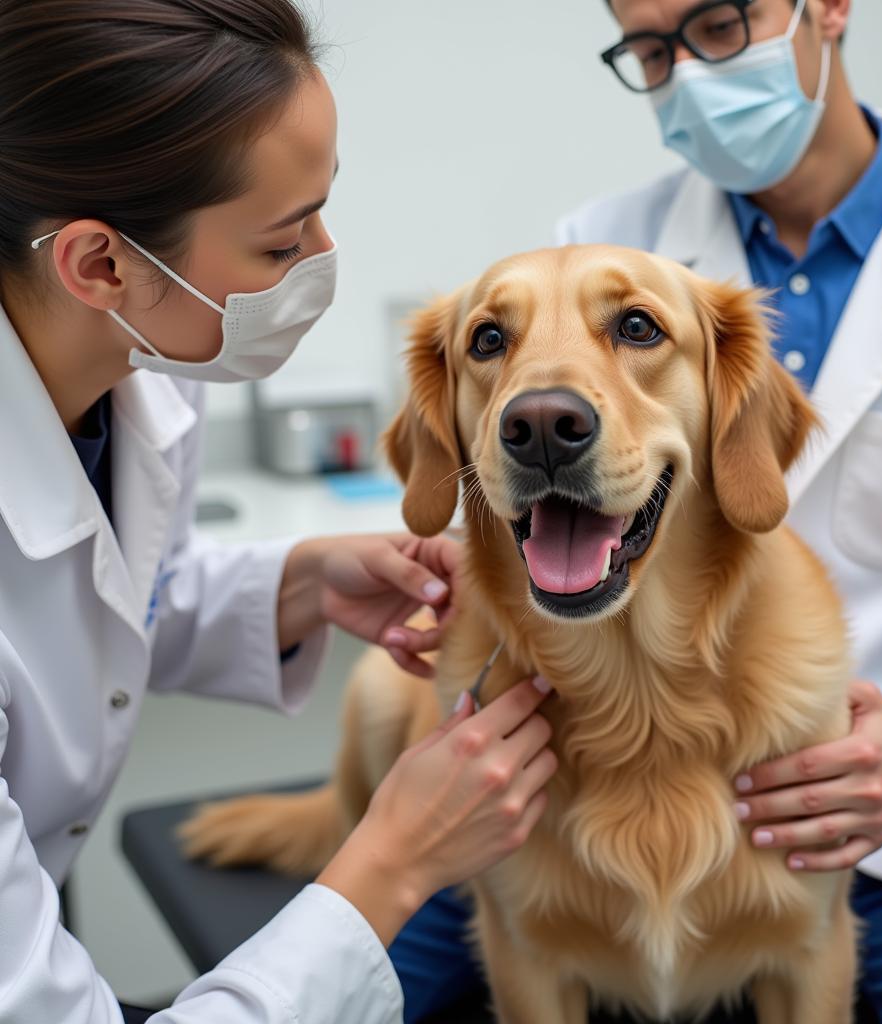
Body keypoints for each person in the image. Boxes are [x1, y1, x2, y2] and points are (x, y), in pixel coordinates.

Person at [383, 1, 882, 1021]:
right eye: (648, 48)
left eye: (719, 22)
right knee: (342, 991)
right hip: (573, 791)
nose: (686, 72)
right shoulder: (591, 244)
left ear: (828, 8)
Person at [0, 2, 559, 1022]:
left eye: (320, 208)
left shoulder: (136, 367)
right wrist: (393, 860)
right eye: (276, 244)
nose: (321, 260)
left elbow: (87, 607)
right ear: (99, 265)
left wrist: (297, 585)